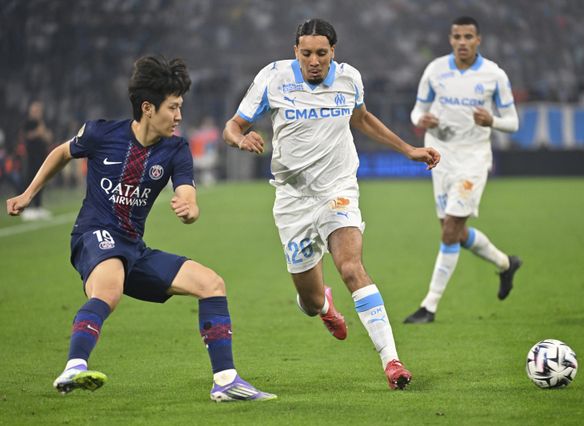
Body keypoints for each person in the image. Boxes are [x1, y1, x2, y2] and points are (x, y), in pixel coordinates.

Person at [6, 55, 275, 402]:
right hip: (93, 235)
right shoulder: (101, 133)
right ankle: (74, 366)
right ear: (148, 108)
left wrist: (190, 209)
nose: (179, 116)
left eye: (180, 107)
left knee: (211, 284)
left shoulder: (176, 149)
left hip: (133, 247)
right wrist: (28, 193)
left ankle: (225, 381)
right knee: (109, 288)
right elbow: (61, 153)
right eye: (173, 107)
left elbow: (187, 194)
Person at [222, 18, 440, 390]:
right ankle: (325, 306)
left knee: (351, 267)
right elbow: (233, 125)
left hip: (337, 189)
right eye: (306, 53)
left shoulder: (348, 78)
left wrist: (408, 149)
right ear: (295, 51)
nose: (314, 61)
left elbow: (362, 118)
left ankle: (392, 361)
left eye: (321, 53)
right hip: (293, 200)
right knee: (308, 302)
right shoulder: (273, 78)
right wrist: (240, 140)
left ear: (332, 52)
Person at [404, 16, 522, 324]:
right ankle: (505, 263)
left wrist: (492, 121)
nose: (462, 42)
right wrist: (421, 120)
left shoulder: (494, 75)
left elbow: (513, 122)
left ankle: (429, 306)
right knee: (453, 231)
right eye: (457, 36)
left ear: (478, 40)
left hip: (473, 158)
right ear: (450, 39)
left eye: (468, 37)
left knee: (449, 231)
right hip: (440, 156)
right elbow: (417, 110)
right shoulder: (435, 70)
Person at [21, 100, 53, 220]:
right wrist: (38, 132)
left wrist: (42, 131)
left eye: (39, 111)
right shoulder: (27, 123)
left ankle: (38, 207)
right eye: (35, 110)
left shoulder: (42, 123)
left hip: (42, 156)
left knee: (41, 180)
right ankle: (27, 208)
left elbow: (49, 138)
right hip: (31, 156)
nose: (37, 113)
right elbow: (26, 136)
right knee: (30, 180)